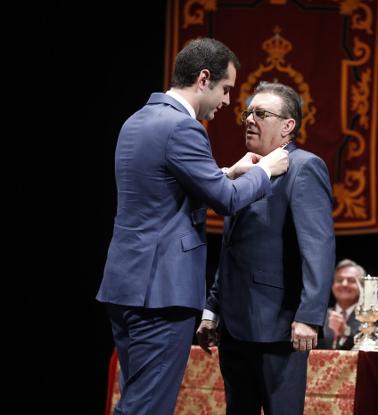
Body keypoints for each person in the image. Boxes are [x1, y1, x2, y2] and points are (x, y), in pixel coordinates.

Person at [96, 38, 290, 415]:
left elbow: (162, 189)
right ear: (204, 79)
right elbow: (227, 200)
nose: (228, 102)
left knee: (135, 399)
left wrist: (227, 172)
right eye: (226, 89)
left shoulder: (136, 120)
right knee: (146, 407)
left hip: (125, 288)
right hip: (161, 293)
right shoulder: (184, 128)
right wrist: (265, 171)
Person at [196, 81, 335, 414]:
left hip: (280, 329)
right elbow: (232, 249)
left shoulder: (305, 167)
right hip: (234, 328)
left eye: (261, 113)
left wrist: (309, 316)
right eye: (248, 112)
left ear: (288, 126)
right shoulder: (248, 169)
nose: (249, 119)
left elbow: (318, 246)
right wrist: (212, 311)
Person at [317, 259, 378, 350]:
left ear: (362, 286)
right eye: (339, 280)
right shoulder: (320, 316)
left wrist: (346, 332)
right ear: (332, 285)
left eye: (351, 280)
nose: (344, 284)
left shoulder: (375, 317)